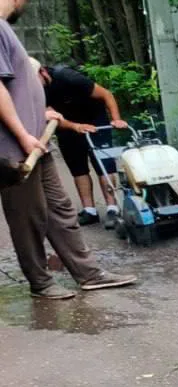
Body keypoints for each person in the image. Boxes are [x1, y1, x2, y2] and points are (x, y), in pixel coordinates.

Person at [0, 0, 136, 300]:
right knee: (28, 216)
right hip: (15, 149)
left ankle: (88, 273)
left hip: (38, 140)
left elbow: (17, 88)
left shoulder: (4, 30)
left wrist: (40, 113)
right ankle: (41, 283)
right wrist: (23, 135)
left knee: (60, 210)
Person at [32, 57, 128, 228]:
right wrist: (74, 126)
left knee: (103, 164)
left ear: (43, 72)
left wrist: (116, 119)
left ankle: (113, 207)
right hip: (68, 125)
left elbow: (106, 94)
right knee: (78, 168)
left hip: (95, 119)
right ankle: (89, 210)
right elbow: (50, 117)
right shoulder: (35, 90)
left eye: (35, 79)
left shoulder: (68, 78)